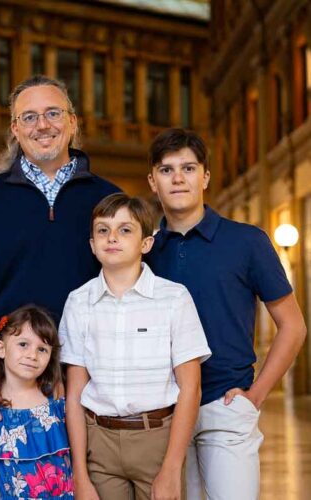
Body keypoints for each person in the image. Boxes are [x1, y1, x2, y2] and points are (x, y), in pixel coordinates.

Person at [0, 75, 120, 433]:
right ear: (15, 128)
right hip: (8, 386)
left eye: (53, 113)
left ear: (72, 122)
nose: (42, 125)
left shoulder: (107, 200)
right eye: (29, 117)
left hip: (94, 384)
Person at [145, 128, 307, 499]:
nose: (178, 178)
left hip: (226, 405)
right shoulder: (145, 253)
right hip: (165, 411)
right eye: (167, 170)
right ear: (153, 182)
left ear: (205, 176)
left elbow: (293, 326)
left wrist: (257, 394)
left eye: (188, 168)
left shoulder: (247, 241)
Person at [60, 193, 211, 500]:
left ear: (146, 243)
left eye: (125, 230)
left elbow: (191, 387)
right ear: (92, 244)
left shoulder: (174, 298)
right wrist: (80, 473)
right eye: (103, 230)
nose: (112, 237)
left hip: (156, 441)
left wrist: (171, 467)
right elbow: (74, 394)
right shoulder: (78, 302)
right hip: (98, 442)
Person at [0, 305, 74, 499]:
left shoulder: (57, 401)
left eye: (42, 349)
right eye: (23, 344)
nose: (32, 355)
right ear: (2, 349)